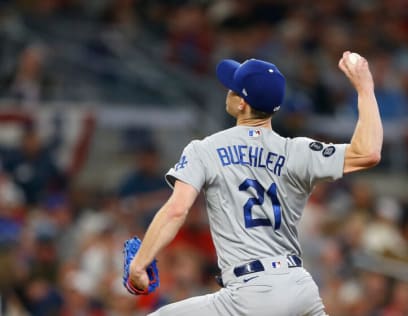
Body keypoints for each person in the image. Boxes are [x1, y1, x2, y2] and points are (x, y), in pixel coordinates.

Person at [128, 51, 383, 315]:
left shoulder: (205, 149)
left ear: (241, 104)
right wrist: (365, 88)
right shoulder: (297, 150)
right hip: (299, 286)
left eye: (233, 88)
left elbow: (177, 209)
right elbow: (368, 152)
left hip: (250, 293)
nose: (228, 90)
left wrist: (139, 264)